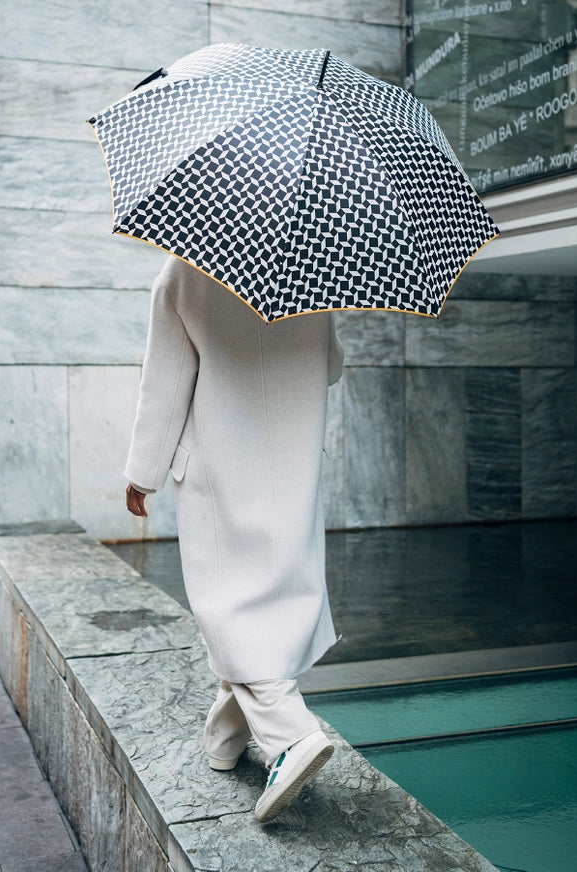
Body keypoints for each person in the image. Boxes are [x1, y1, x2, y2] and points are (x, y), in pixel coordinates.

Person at [124, 256, 344, 823]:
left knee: (225, 601)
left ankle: (291, 737)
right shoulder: (317, 260)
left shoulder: (184, 272)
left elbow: (166, 382)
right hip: (291, 462)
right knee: (274, 589)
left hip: (221, 463)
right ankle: (225, 737)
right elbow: (331, 367)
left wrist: (141, 473)